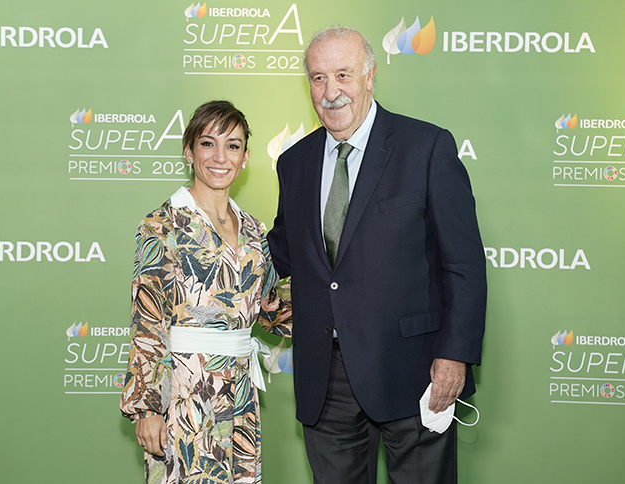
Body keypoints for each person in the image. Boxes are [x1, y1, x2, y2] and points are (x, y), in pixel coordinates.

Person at [267, 27, 487, 484]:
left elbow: (463, 265)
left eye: (343, 74)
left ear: (369, 76)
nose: (331, 92)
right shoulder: (294, 162)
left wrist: (455, 355)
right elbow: (284, 253)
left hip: (415, 371)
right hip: (325, 380)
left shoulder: (426, 148)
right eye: (318, 78)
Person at [120, 100, 291, 484]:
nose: (220, 157)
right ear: (189, 150)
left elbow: (269, 308)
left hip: (241, 391)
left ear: (245, 157)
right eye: (208, 143)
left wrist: (344, 304)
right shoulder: (163, 224)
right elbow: (147, 320)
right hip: (185, 391)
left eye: (232, 145)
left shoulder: (253, 230)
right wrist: (146, 407)